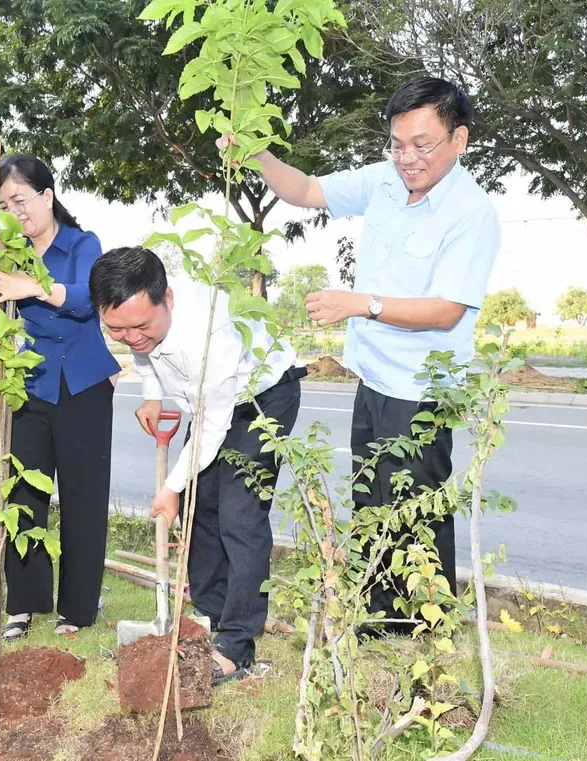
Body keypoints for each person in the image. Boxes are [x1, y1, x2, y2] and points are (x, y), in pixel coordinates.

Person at [222, 76, 500, 627]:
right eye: (397, 144)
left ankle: (421, 625)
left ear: (459, 139)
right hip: (374, 378)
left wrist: (360, 303)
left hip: (422, 388)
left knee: (416, 510)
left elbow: (447, 309)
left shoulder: (471, 212)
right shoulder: (384, 181)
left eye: (422, 144)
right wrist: (256, 153)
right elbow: (303, 191)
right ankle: (377, 618)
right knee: (373, 503)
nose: (408, 157)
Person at [89, 246, 305, 684]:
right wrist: (152, 393)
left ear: (167, 298)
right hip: (211, 406)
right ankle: (209, 616)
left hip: (260, 399)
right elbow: (144, 353)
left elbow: (211, 425)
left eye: (141, 325)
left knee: (239, 517)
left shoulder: (212, 332)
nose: (131, 337)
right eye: (117, 329)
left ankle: (236, 647)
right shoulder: (141, 321)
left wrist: (169, 485)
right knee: (199, 507)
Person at [0, 154, 119, 637]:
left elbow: (89, 299)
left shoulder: (82, 244)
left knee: (84, 497)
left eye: (22, 200)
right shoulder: (7, 252)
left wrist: (32, 286)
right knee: (24, 492)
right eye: (5, 204)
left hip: (84, 387)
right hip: (28, 385)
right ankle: (23, 604)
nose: (16, 212)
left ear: (47, 196)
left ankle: (78, 608)